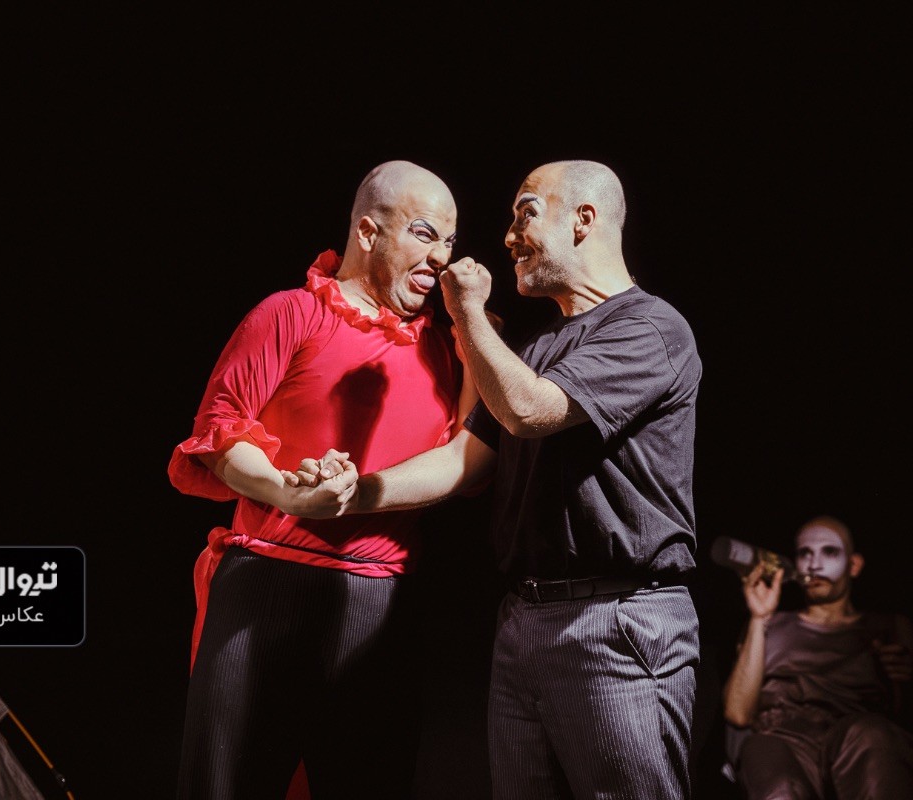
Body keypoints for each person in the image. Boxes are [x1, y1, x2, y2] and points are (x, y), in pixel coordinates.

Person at [289, 160, 703, 799]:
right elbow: (465, 461)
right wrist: (352, 495)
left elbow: (530, 411)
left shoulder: (649, 327)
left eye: (525, 214)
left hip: (617, 620)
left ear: (584, 220)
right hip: (526, 621)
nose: (508, 237)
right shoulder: (535, 351)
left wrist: (468, 314)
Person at [167, 159, 478, 800]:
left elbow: (468, 464)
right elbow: (221, 433)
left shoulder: (445, 347)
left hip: (381, 604)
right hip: (269, 586)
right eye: (424, 234)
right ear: (367, 232)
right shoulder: (292, 314)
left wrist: (475, 336)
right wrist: (289, 492)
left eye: (449, 241)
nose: (441, 258)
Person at [720, 515, 913, 800]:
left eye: (829, 552)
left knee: (875, 742)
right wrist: (759, 618)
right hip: (781, 737)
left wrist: (900, 677)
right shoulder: (773, 624)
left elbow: (906, 717)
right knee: (776, 780)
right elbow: (738, 713)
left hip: (859, 735)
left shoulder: (887, 626)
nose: (814, 565)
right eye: (805, 553)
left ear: (854, 565)